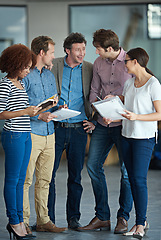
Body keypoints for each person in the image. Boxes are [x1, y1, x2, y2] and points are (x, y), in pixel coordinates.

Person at [78, 29, 133, 234]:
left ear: (109, 48)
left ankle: (123, 218)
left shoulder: (130, 62)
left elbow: (135, 94)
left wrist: (116, 110)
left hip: (124, 125)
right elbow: (94, 90)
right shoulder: (99, 63)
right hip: (102, 123)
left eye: (98, 49)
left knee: (126, 173)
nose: (96, 52)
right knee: (92, 166)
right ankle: (102, 217)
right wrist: (96, 114)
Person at [45, 32, 95, 230]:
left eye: (83, 49)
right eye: (77, 49)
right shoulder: (54, 64)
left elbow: (97, 93)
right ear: (68, 50)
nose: (82, 53)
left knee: (75, 177)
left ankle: (73, 218)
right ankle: (47, 219)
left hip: (79, 130)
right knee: (49, 175)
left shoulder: (90, 68)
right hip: (56, 127)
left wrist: (95, 121)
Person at [23, 36, 66, 234]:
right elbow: (19, 106)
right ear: (41, 53)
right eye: (51, 53)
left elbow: (51, 101)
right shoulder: (24, 76)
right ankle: (22, 223)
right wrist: (40, 115)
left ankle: (43, 220)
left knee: (45, 181)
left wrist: (59, 107)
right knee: (26, 181)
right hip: (32, 133)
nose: (53, 57)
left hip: (50, 134)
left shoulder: (49, 76)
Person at [119, 47, 161, 239]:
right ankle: (141, 221)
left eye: (126, 60)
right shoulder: (128, 84)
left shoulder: (153, 84)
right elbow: (127, 108)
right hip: (127, 136)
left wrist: (136, 117)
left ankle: (140, 224)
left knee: (139, 180)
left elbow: (159, 114)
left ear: (135, 61)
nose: (124, 64)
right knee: (132, 182)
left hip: (144, 138)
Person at [0, 44, 40, 239]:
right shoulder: (5, 84)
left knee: (22, 180)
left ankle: (19, 221)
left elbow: (20, 110)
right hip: (13, 135)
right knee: (12, 180)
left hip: (25, 134)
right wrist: (25, 111)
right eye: (25, 67)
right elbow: (0, 113)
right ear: (15, 64)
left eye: (29, 67)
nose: (27, 70)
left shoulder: (21, 84)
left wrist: (38, 110)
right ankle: (14, 222)